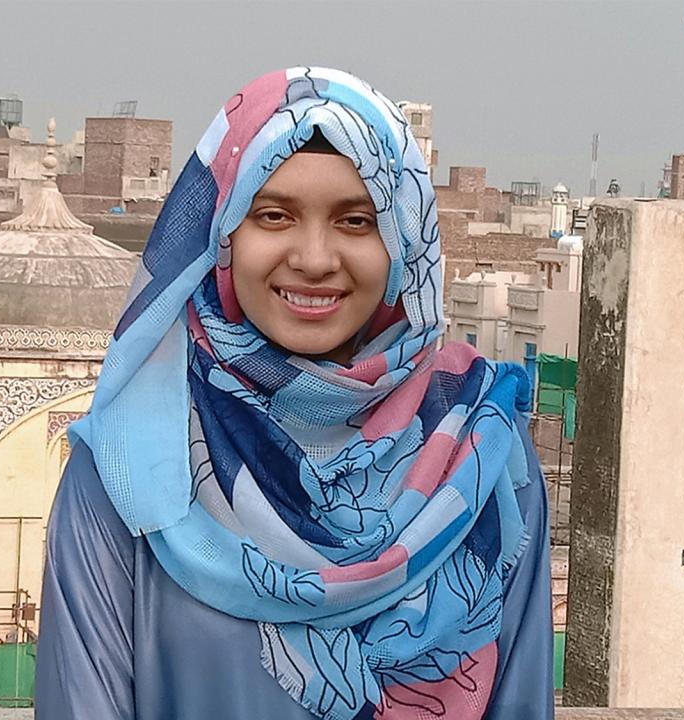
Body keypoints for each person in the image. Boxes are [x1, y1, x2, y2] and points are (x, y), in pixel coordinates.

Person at [36, 67, 553, 720]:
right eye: (273, 214)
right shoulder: (132, 467)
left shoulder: (484, 460)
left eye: (357, 220)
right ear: (221, 236)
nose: (313, 257)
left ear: (404, 242)